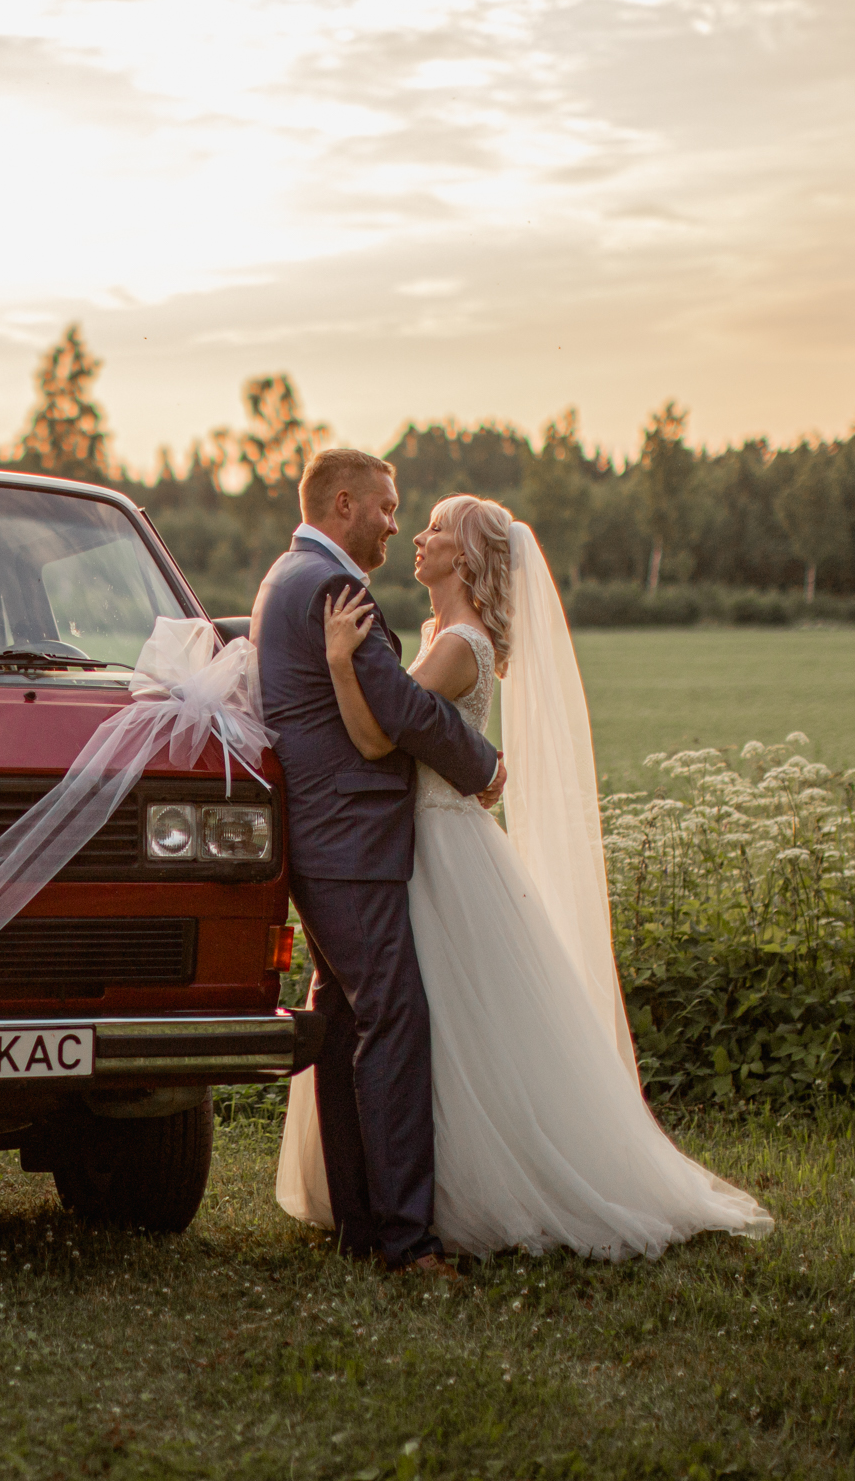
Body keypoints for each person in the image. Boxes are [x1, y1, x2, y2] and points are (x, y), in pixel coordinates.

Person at [276, 493, 774, 1260]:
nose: (419, 536)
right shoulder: (444, 635)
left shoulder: (455, 646)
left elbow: (382, 734)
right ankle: (404, 1198)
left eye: (435, 529)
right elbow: (393, 731)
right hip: (424, 840)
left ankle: (455, 1193)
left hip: (441, 844)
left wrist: (343, 663)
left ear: (465, 559)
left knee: (442, 1021)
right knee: (438, 1019)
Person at [250, 451, 504, 1277]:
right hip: (350, 844)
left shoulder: (288, 576)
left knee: (347, 1021)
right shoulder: (332, 587)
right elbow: (395, 706)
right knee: (394, 1020)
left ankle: (363, 1226)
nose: (397, 524)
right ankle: (404, 1243)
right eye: (388, 508)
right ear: (345, 502)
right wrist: (484, 765)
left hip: (327, 840)